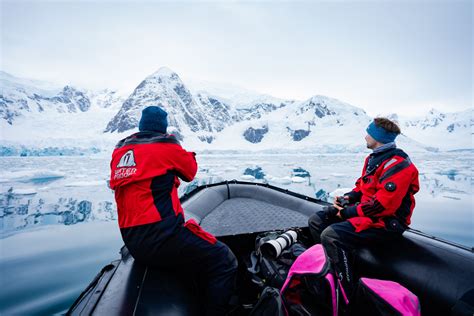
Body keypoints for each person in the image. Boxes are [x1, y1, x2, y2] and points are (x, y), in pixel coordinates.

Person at [109, 106, 238, 316]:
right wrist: (184, 151)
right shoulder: (165, 145)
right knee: (224, 259)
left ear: (141, 126)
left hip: (132, 240)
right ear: (162, 127)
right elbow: (190, 171)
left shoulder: (119, 152)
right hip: (162, 237)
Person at [308, 117, 419, 300]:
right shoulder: (374, 158)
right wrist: (348, 198)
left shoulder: (398, 164)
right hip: (369, 216)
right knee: (317, 220)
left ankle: (345, 292)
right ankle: (327, 270)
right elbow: (363, 188)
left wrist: (347, 212)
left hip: (386, 223)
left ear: (378, 137)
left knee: (331, 235)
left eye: (369, 133)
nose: (365, 136)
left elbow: (382, 205)